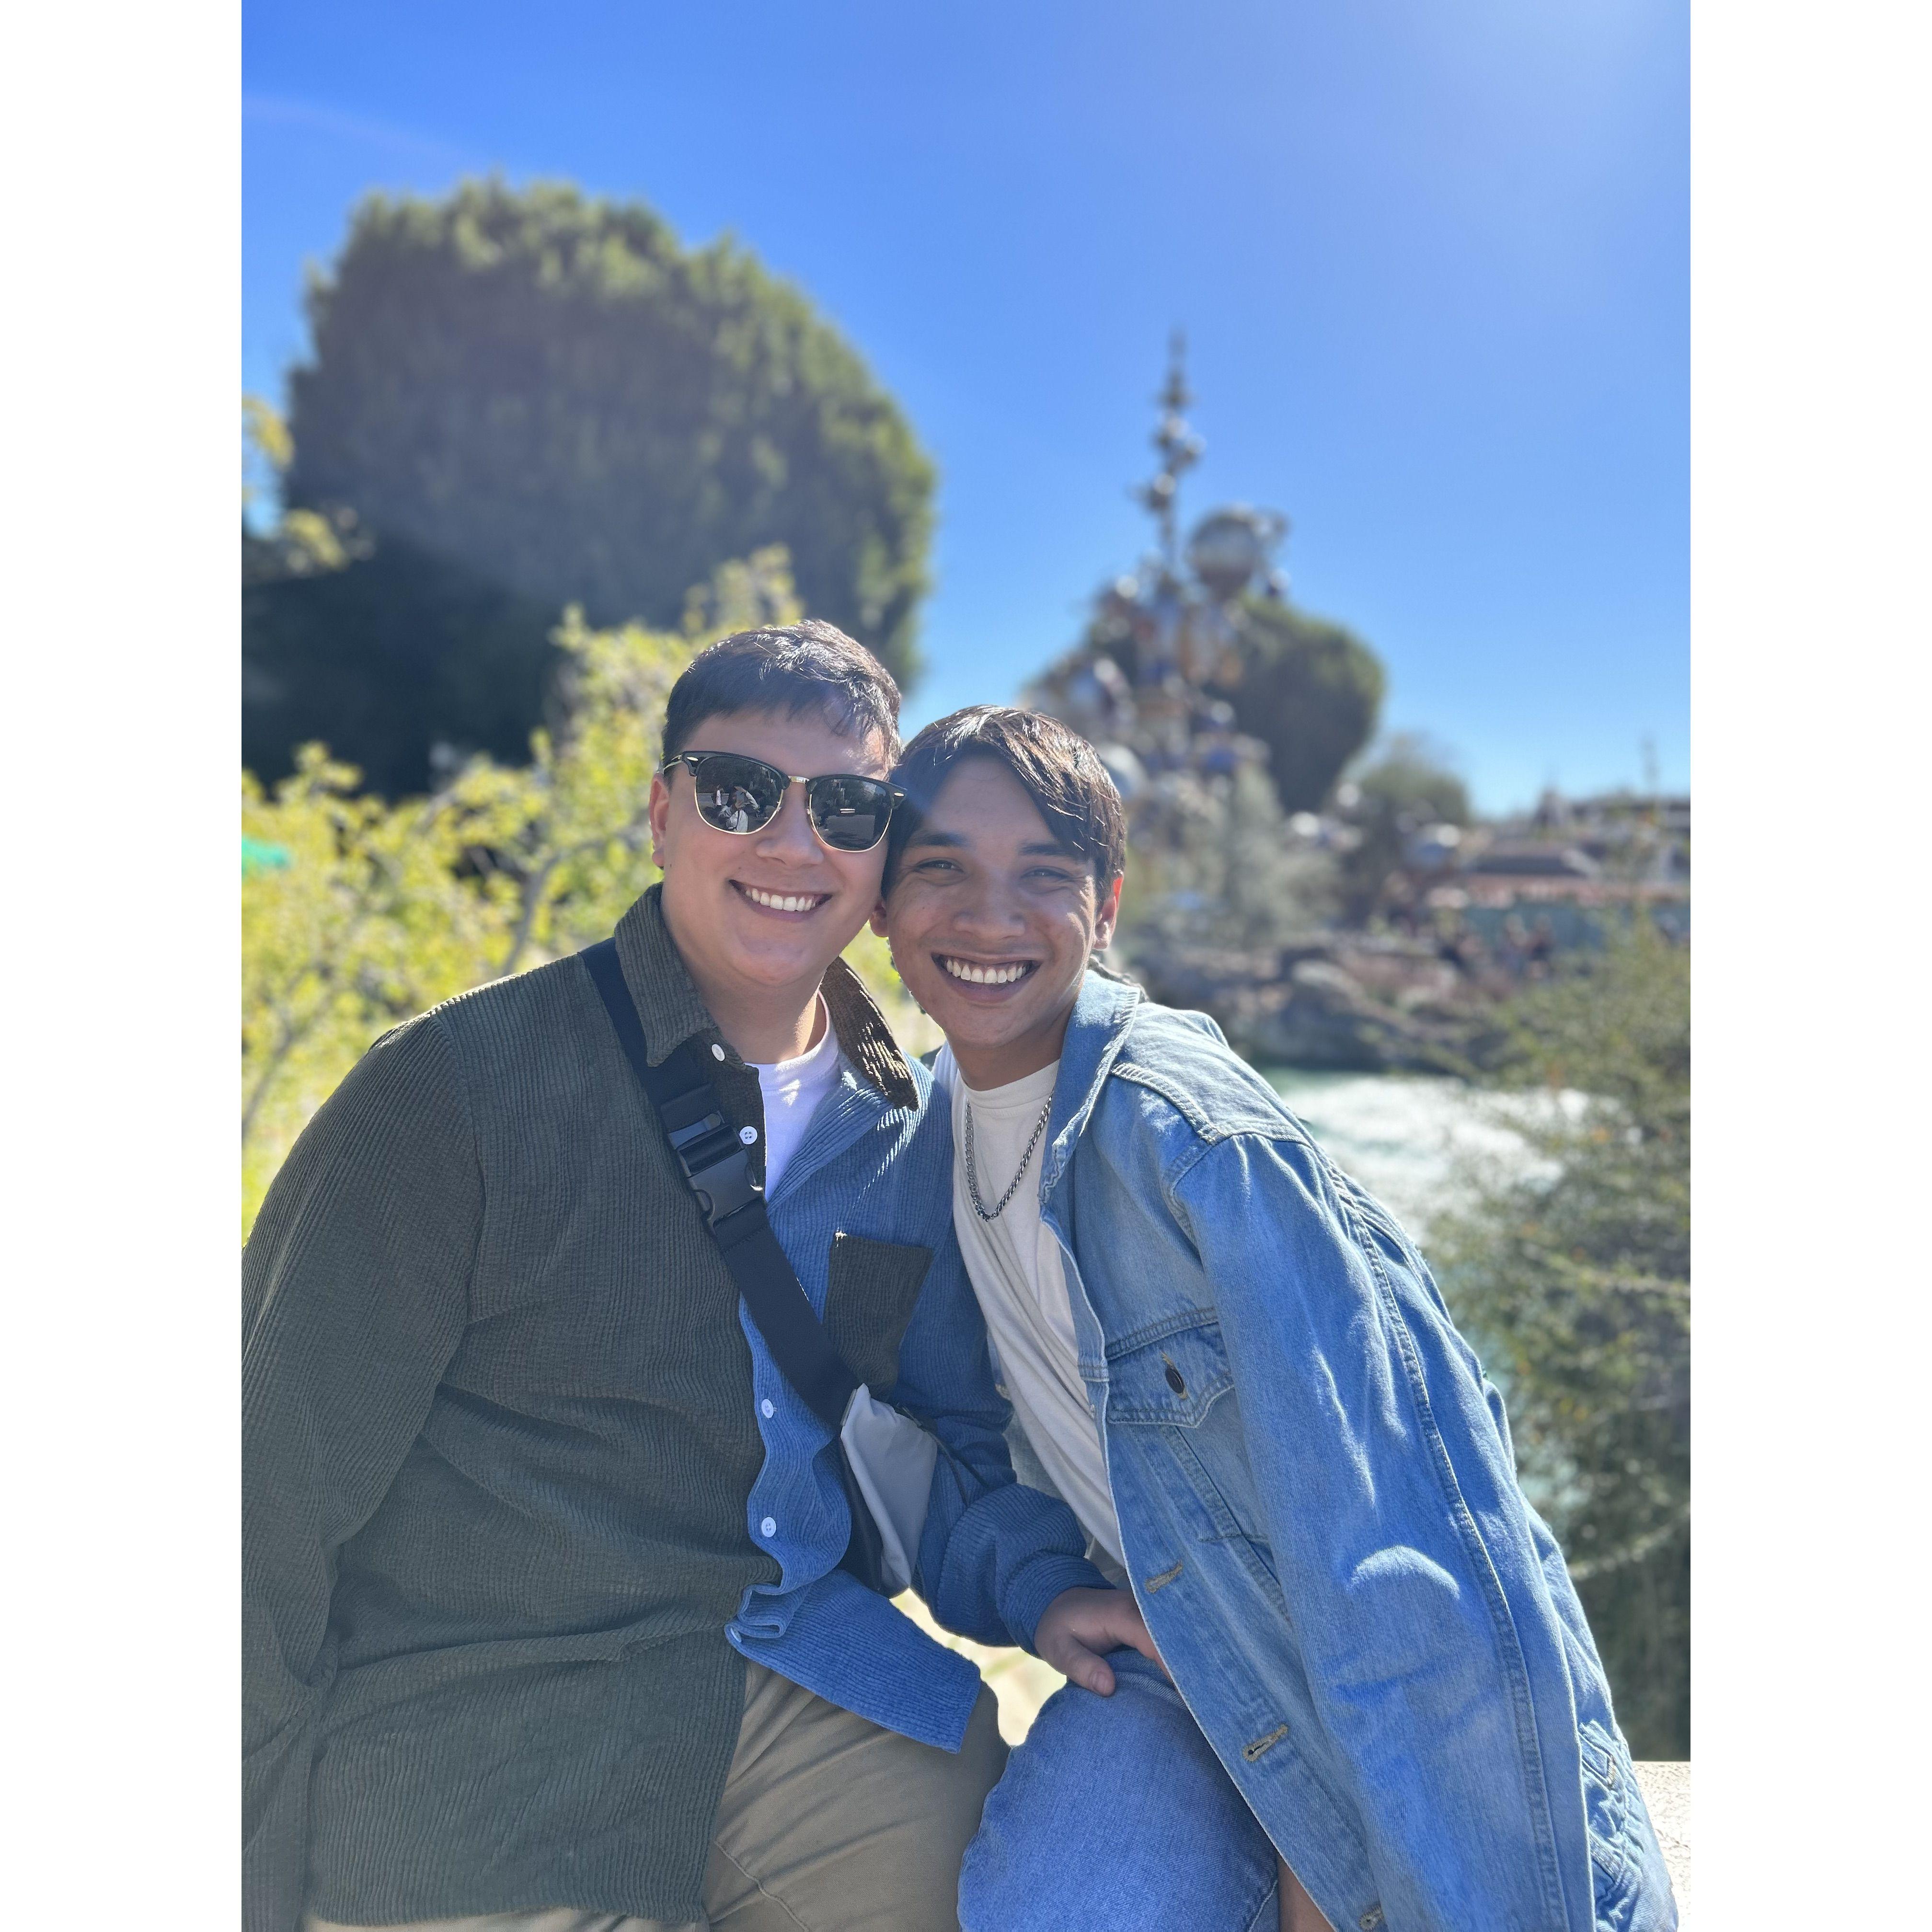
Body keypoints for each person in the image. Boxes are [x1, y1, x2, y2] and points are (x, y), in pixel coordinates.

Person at [242, 628, 1150, 1932]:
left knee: (1009, 1866)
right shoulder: (451, 1088)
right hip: (475, 1736)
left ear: (880, 857)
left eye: (845, 809)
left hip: (789, 1680)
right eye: (738, 794)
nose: (792, 845)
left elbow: (943, 1448)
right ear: (662, 814)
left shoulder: (911, 1137)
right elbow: (256, 1508)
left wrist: (1045, 1589)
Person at [875, 705, 1679, 1932]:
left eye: (1043, 874)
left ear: (1108, 906)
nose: (991, 917)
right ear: (882, 904)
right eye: (943, 870)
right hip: (1173, 1653)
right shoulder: (924, 1134)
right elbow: (951, 1434)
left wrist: (1330, 1877)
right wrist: (1039, 1586)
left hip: (1370, 1709)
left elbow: (1399, 1557)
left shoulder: (1194, 1144)